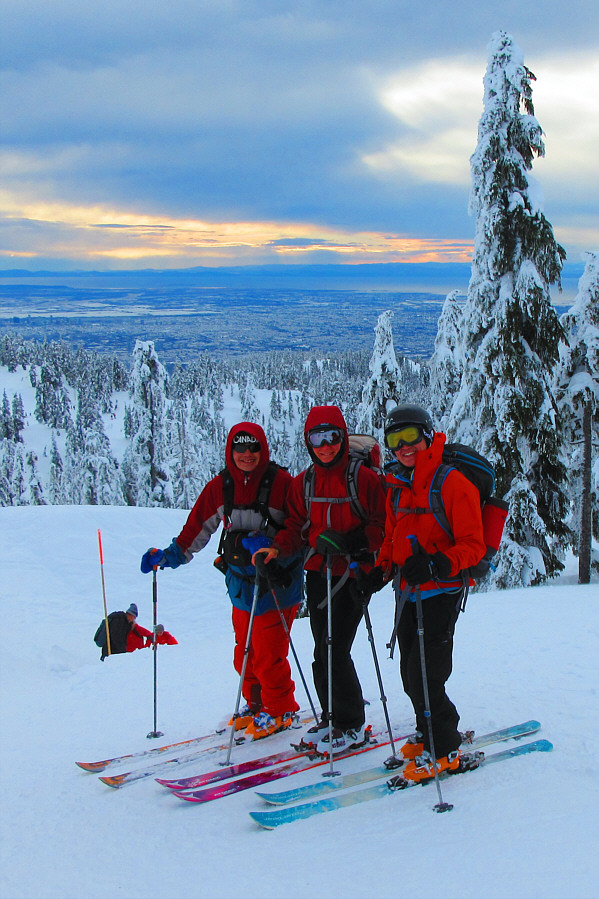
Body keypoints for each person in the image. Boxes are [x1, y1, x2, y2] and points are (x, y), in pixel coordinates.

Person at [140, 422, 303, 740]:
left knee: (270, 653)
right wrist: (169, 556)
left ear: (263, 450)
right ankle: (256, 704)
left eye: (253, 447)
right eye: (239, 447)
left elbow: (301, 526)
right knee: (244, 651)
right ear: (230, 450)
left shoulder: (282, 483)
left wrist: (275, 546)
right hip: (241, 584)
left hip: (276, 583)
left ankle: (280, 709)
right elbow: (197, 526)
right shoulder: (221, 486)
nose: (247, 454)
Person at [254, 405, 386, 755]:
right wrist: (277, 552)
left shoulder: (364, 479)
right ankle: (332, 718)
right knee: (320, 649)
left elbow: (381, 524)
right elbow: (296, 527)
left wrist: (356, 543)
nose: (325, 446)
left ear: (342, 437)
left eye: (332, 437)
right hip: (318, 572)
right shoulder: (305, 482)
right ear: (308, 442)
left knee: (336, 648)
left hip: (353, 573)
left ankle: (352, 724)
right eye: (317, 439)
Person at [371, 403, 486, 782]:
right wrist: (379, 570)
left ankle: (445, 746)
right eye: (394, 439)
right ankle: (428, 731)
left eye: (410, 437)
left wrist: (437, 564)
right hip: (407, 591)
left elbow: (474, 545)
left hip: (440, 591)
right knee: (410, 671)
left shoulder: (452, 482)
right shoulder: (397, 484)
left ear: (427, 436)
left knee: (428, 673)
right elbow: (391, 536)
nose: (403, 446)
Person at [94, 603, 176, 660]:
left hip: (118, 652)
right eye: (134, 617)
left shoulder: (129, 624)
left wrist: (150, 636)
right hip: (112, 652)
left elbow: (141, 630)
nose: (133, 619)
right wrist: (123, 650)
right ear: (131, 615)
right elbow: (116, 636)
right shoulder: (119, 620)